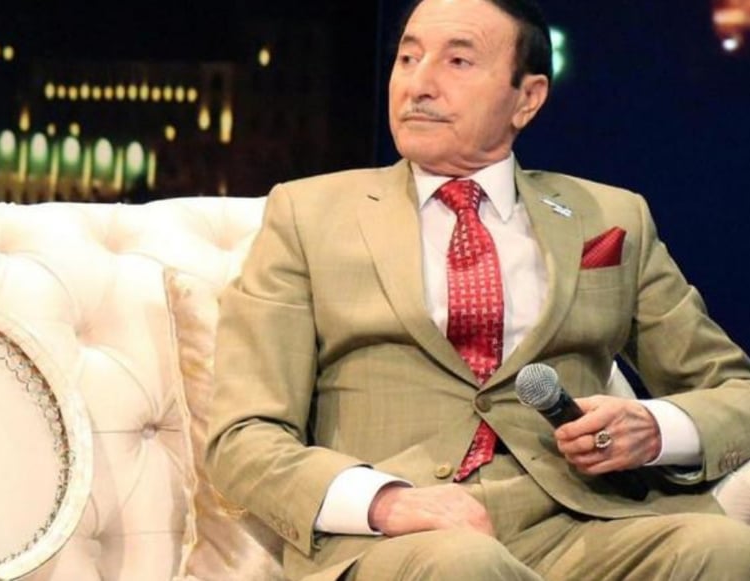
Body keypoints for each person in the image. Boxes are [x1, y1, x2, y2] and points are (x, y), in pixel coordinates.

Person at [205, 0, 750, 579]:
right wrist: (385, 501)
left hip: (584, 524)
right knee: (464, 565)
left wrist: (655, 428)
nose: (419, 84)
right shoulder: (307, 215)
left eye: (457, 61)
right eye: (408, 58)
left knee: (724, 548)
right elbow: (243, 436)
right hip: (403, 539)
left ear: (527, 98)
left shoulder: (611, 217)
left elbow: (734, 391)